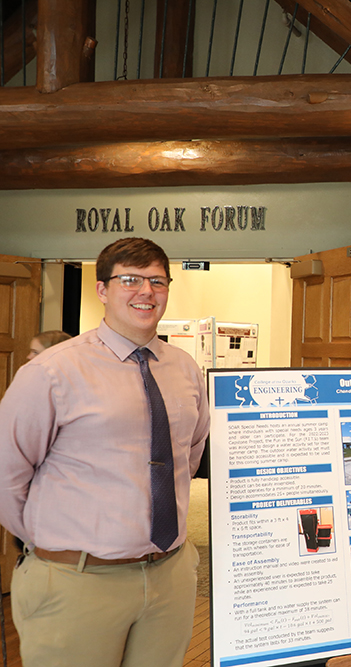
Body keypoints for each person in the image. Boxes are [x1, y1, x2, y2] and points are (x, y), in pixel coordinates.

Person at [0, 237, 210, 667]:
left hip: (169, 575)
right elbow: (7, 472)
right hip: (77, 582)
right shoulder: (52, 371)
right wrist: (59, 546)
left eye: (157, 281)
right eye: (130, 280)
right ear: (102, 290)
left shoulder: (185, 368)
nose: (146, 292)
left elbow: (187, 457)